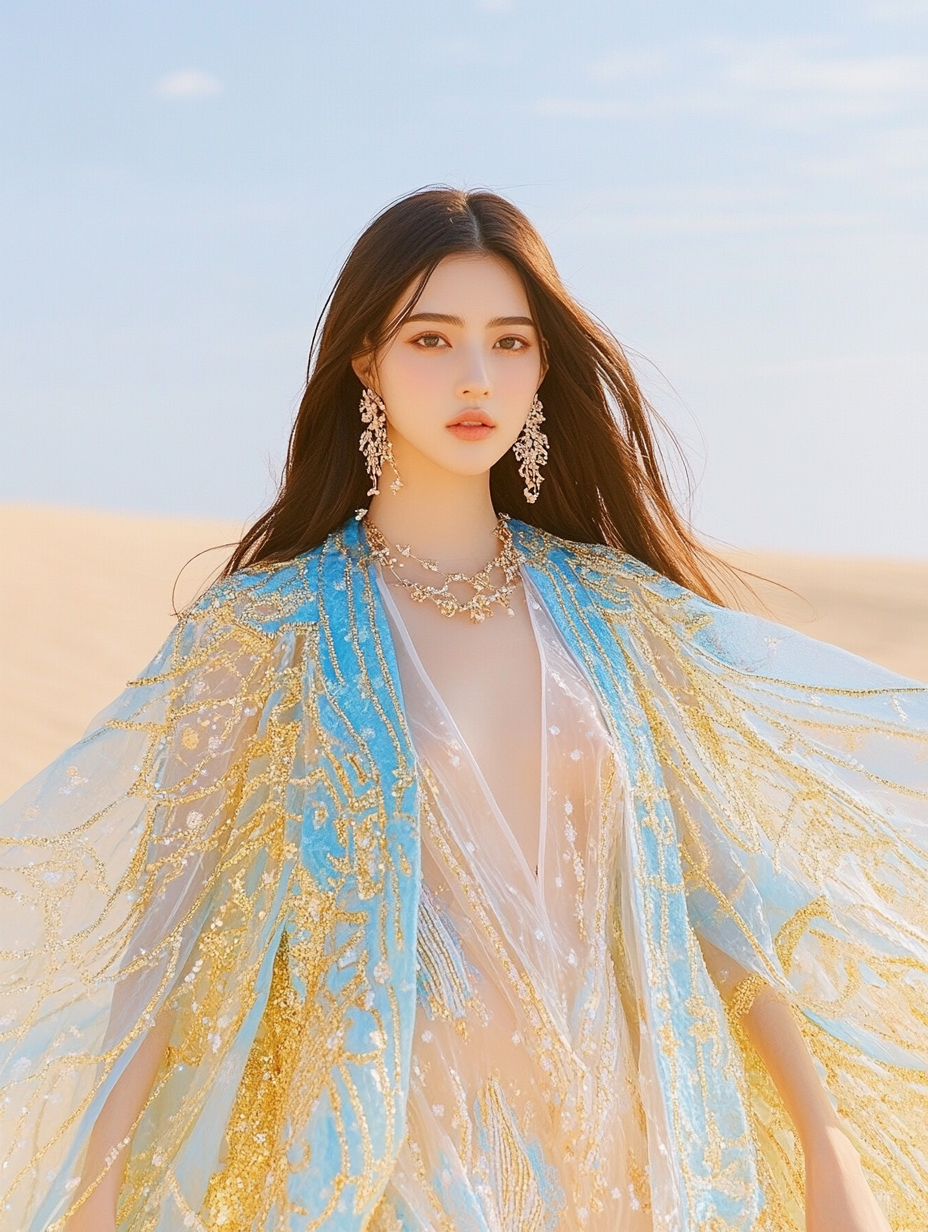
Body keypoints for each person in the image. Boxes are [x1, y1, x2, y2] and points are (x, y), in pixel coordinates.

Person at [1, 188, 923, 1232]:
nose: (476, 375)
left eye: (509, 340)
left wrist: (825, 1142)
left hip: (636, 1172)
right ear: (365, 359)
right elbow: (166, 941)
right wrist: (92, 1195)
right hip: (393, 1175)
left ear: (540, 366)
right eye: (431, 337)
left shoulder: (611, 612)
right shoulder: (266, 632)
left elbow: (716, 895)